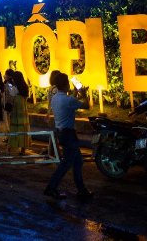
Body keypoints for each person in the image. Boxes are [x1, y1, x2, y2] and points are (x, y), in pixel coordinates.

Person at [44, 72, 93, 201]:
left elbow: (71, 101)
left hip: (63, 133)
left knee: (78, 162)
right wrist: (83, 93)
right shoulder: (68, 100)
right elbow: (87, 105)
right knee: (66, 164)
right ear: (66, 84)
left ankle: (81, 190)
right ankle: (51, 187)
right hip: (69, 134)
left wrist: (76, 94)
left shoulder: (56, 98)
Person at [6, 70, 32, 155]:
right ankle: (23, 149)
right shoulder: (25, 87)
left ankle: (11, 148)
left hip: (16, 110)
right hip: (23, 111)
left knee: (14, 128)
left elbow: (11, 96)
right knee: (23, 128)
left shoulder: (14, 87)